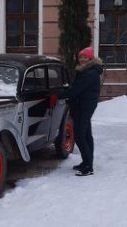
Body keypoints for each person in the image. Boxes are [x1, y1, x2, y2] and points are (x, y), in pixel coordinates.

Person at [50, 46, 103, 176]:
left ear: (90, 58)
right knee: (86, 135)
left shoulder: (89, 73)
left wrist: (57, 96)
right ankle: (87, 162)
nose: (82, 59)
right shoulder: (88, 71)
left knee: (79, 136)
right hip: (83, 106)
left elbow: (76, 90)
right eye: (80, 57)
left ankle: (88, 167)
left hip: (84, 107)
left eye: (85, 57)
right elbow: (78, 89)